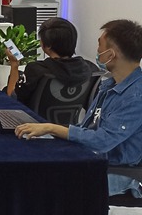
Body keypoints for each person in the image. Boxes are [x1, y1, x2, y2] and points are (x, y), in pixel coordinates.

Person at [15, 19, 142, 197]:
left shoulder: (136, 97)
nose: (97, 51)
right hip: (90, 157)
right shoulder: (110, 85)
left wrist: (52, 128)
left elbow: (102, 141)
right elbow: (87, 128)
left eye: (100, 45)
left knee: (37, 180)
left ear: (111, 54)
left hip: (116, 171)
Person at [4, 17, 98, 103]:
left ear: (48, 45)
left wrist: (14, 64)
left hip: (33, 116)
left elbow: (13, 98)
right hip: (73, 117)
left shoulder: (35, 70)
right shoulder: (91, 68)